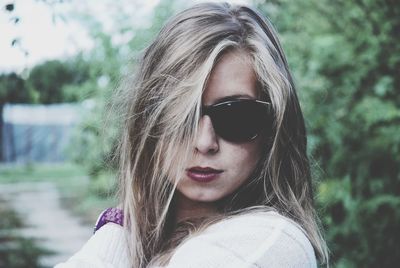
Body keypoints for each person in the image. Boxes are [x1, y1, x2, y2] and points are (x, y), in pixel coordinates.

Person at [56, 2, 328, 267]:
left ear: (274, 125)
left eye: (236, 116)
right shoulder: (131, 234)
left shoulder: (273, 244)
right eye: (181, 115)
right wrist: (125, 226)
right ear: (148, 123)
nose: (204, 143)